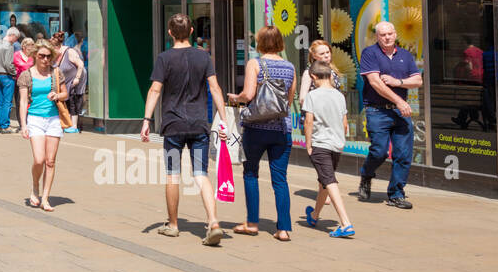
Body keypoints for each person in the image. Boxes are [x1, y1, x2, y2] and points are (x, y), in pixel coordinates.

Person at [142, 13, 230, 246]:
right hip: (199, 124)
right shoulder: (204, 57)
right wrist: (224, 120)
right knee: (201, 174)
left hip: (173, 126)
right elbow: (215, 89)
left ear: (169, 33)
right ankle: (213, 222)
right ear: (192, 32)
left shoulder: (164, 58)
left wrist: (146, 120)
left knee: (173, 174)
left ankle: (173, 225)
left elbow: (155, 90)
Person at [227, 26, 296, 240]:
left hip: (256, 128)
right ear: (279, 42)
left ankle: (252, 223)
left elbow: (248, 94)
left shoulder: (255, 64)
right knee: (280, 179)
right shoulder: (290, 67)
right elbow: (289, 100)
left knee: (250, 173)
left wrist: (235, 98)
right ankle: (283, 229)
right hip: (281, 129)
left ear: (260, 42)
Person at [357, 20, 422, 209]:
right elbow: (376, 83)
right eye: (383, 35)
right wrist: (400, 100)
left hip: (400, 113)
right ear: (377, 37)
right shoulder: (370, 53)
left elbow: (417, 80)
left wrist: (398, 82)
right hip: (377, 111)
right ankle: (367, 175)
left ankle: (396, 194)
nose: (387, 37)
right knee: (379, 151)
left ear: (395, 34)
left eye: (390, 34)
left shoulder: (405, 55)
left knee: (403, 154)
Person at [301, 62, 356, 238]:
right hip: (336, 144)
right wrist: (341, 139)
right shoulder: (339, 96)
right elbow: (345, 123)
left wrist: (308, 144)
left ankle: (345, 222)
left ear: (313, 77)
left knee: (329, 181)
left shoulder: (312, 96)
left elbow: (308, 121)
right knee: (325, 180)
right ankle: (315, 215)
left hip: (320, 143)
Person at [18, 40, 67, 211]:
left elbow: (65, 94)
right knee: (39, 159)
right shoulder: (26, 75)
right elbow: (23, 101)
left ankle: (45, 198)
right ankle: (35, 186)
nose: (46, 59)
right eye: (42, 56)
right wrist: (23, 124)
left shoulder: (56, 73)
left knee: (50, 161)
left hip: (53, 119)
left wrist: (57, 95)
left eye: (48, 56)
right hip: (35, 120)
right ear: (35, 56)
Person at [298, 39, 345, 105]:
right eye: (322, 54)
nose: (326, 56)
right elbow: (302, 99)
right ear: (314, 56)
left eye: (328, 52)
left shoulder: (333, 70)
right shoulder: (309, 73)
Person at [0, 27, 20, 134]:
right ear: (12, 35)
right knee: (7, 102)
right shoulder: (9, 46)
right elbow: (8, 63)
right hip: (7, 76)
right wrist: (14, 73)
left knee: (0, 101)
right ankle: (5, 126)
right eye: (16, 38)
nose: (16, 41)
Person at [57, 36, 86, 133]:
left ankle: (74, 126)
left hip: (76, 80)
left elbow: (80, 64)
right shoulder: (56, 54)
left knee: (74, 101)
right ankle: (69, 124)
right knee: (68, 101)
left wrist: (77, 78)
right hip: (67, 81)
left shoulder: (69, 52)